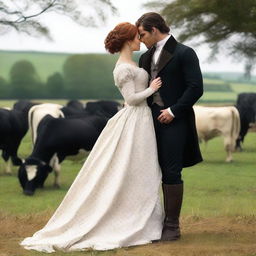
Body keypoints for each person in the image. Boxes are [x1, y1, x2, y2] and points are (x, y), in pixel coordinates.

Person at [20, 22, 164, 252]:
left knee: (143, 168)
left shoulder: (133, 63)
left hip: (143, 120)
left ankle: (146, 218)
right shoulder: (122, 68)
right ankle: (130, 219)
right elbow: (132, 99)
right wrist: (152, 88)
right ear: (128, 40)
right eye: (137, 37)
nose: (140, 40)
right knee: (133, 167)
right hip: (134, 119)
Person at [136, 12, 203, 241]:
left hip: (175, 120)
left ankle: (172, 227)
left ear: (155, 29)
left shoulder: (185, 53)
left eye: (143, 34)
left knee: (172, 170)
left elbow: (196, 88)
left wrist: (174, 111)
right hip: (147, 120)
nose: (141, 39)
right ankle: (148, 224)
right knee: (146, 170)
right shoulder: (145, 58)